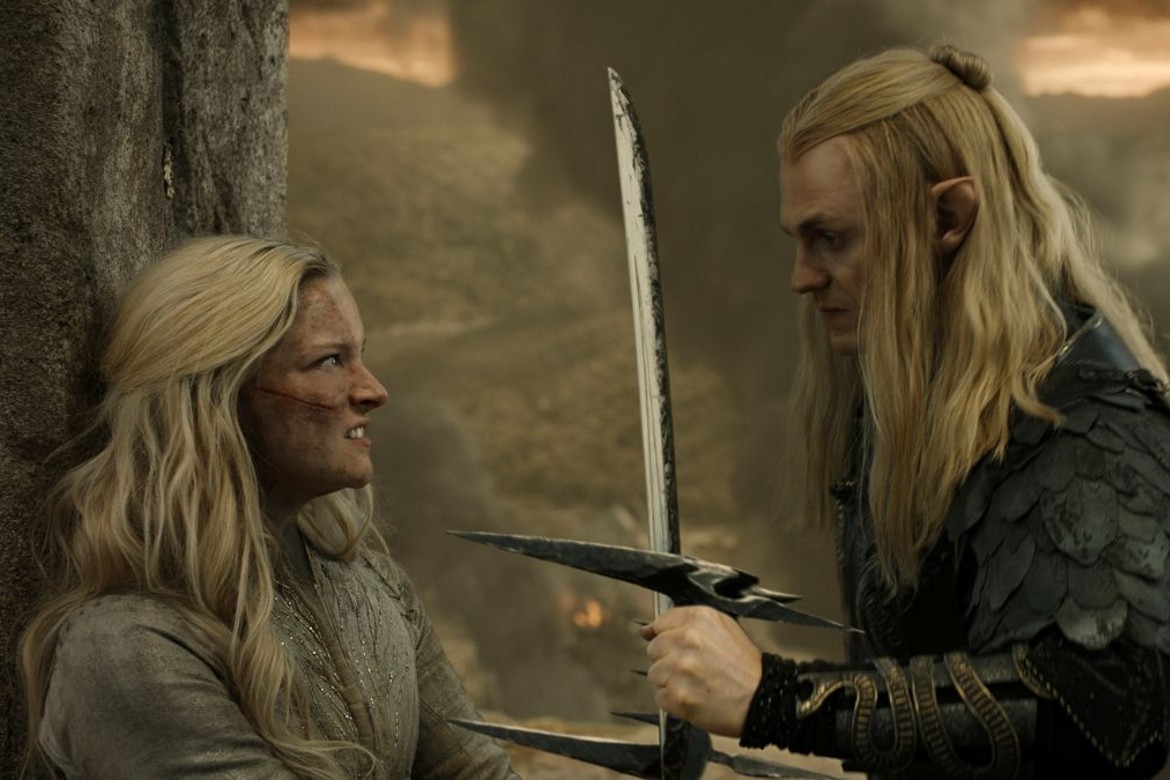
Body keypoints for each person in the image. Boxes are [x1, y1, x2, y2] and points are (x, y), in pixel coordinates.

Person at [640, 45, 1170, 779]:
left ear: (948, 216)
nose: (802, 277)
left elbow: (1107, 704)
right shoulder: (911, 411)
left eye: (831, 238)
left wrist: (778, 699)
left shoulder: (1095, 437)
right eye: (800, 241)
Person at [19, 236, 519, 779]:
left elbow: (476, 772)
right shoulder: (128, 647)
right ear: (221, 394)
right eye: (329, 361)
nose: (373, 390)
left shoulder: (376, 586)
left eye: (360, 356)